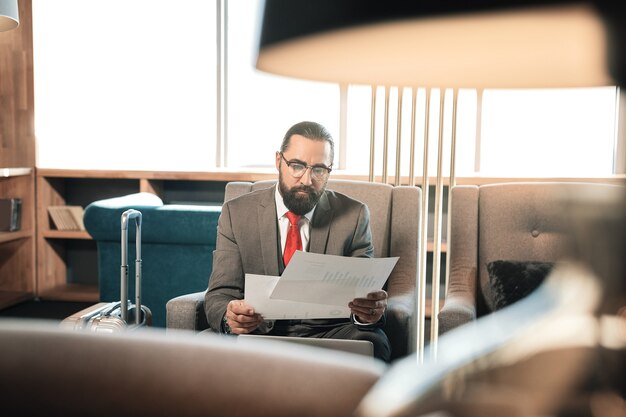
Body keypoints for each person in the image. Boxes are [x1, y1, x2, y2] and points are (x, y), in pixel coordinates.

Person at [205, 121, 391, 361]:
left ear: (329, 171)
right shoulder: (237, 214)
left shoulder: (354, 215)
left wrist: (368, 313)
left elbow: (363, 294)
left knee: (375, 343)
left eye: (319, 169)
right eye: (297, 166)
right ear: (278, 161)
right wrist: (230, 317)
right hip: (259, 332)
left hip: (330, 332)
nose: (306, 179)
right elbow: (220, 294)